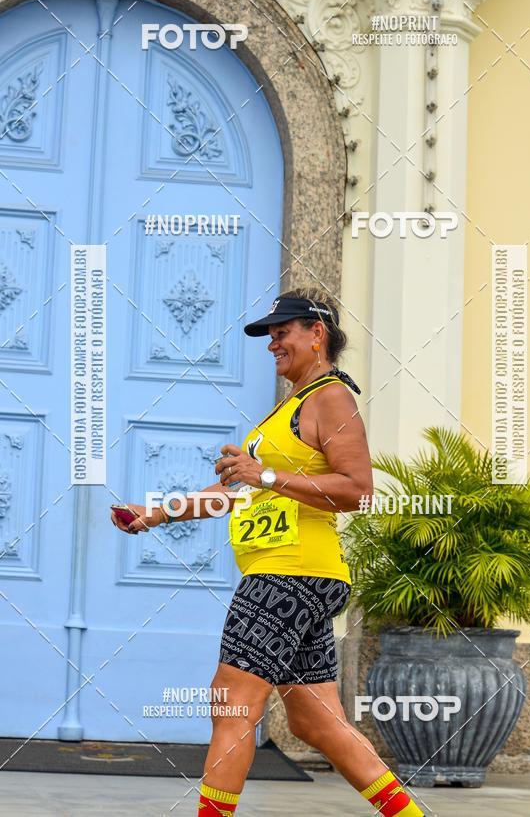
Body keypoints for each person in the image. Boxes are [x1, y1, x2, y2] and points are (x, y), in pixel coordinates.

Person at [111, 287, 423, 817]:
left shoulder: (330, 398)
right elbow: (241, 495)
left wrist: (268, 473)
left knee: (230, 702)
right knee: (314, 721)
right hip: (298, 577)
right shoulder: (291, 408)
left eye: (283, 333)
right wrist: (158, 513)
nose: (272, 344)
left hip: (289, 575)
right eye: (269, 336)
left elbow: (357, 489)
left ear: (317, 333)